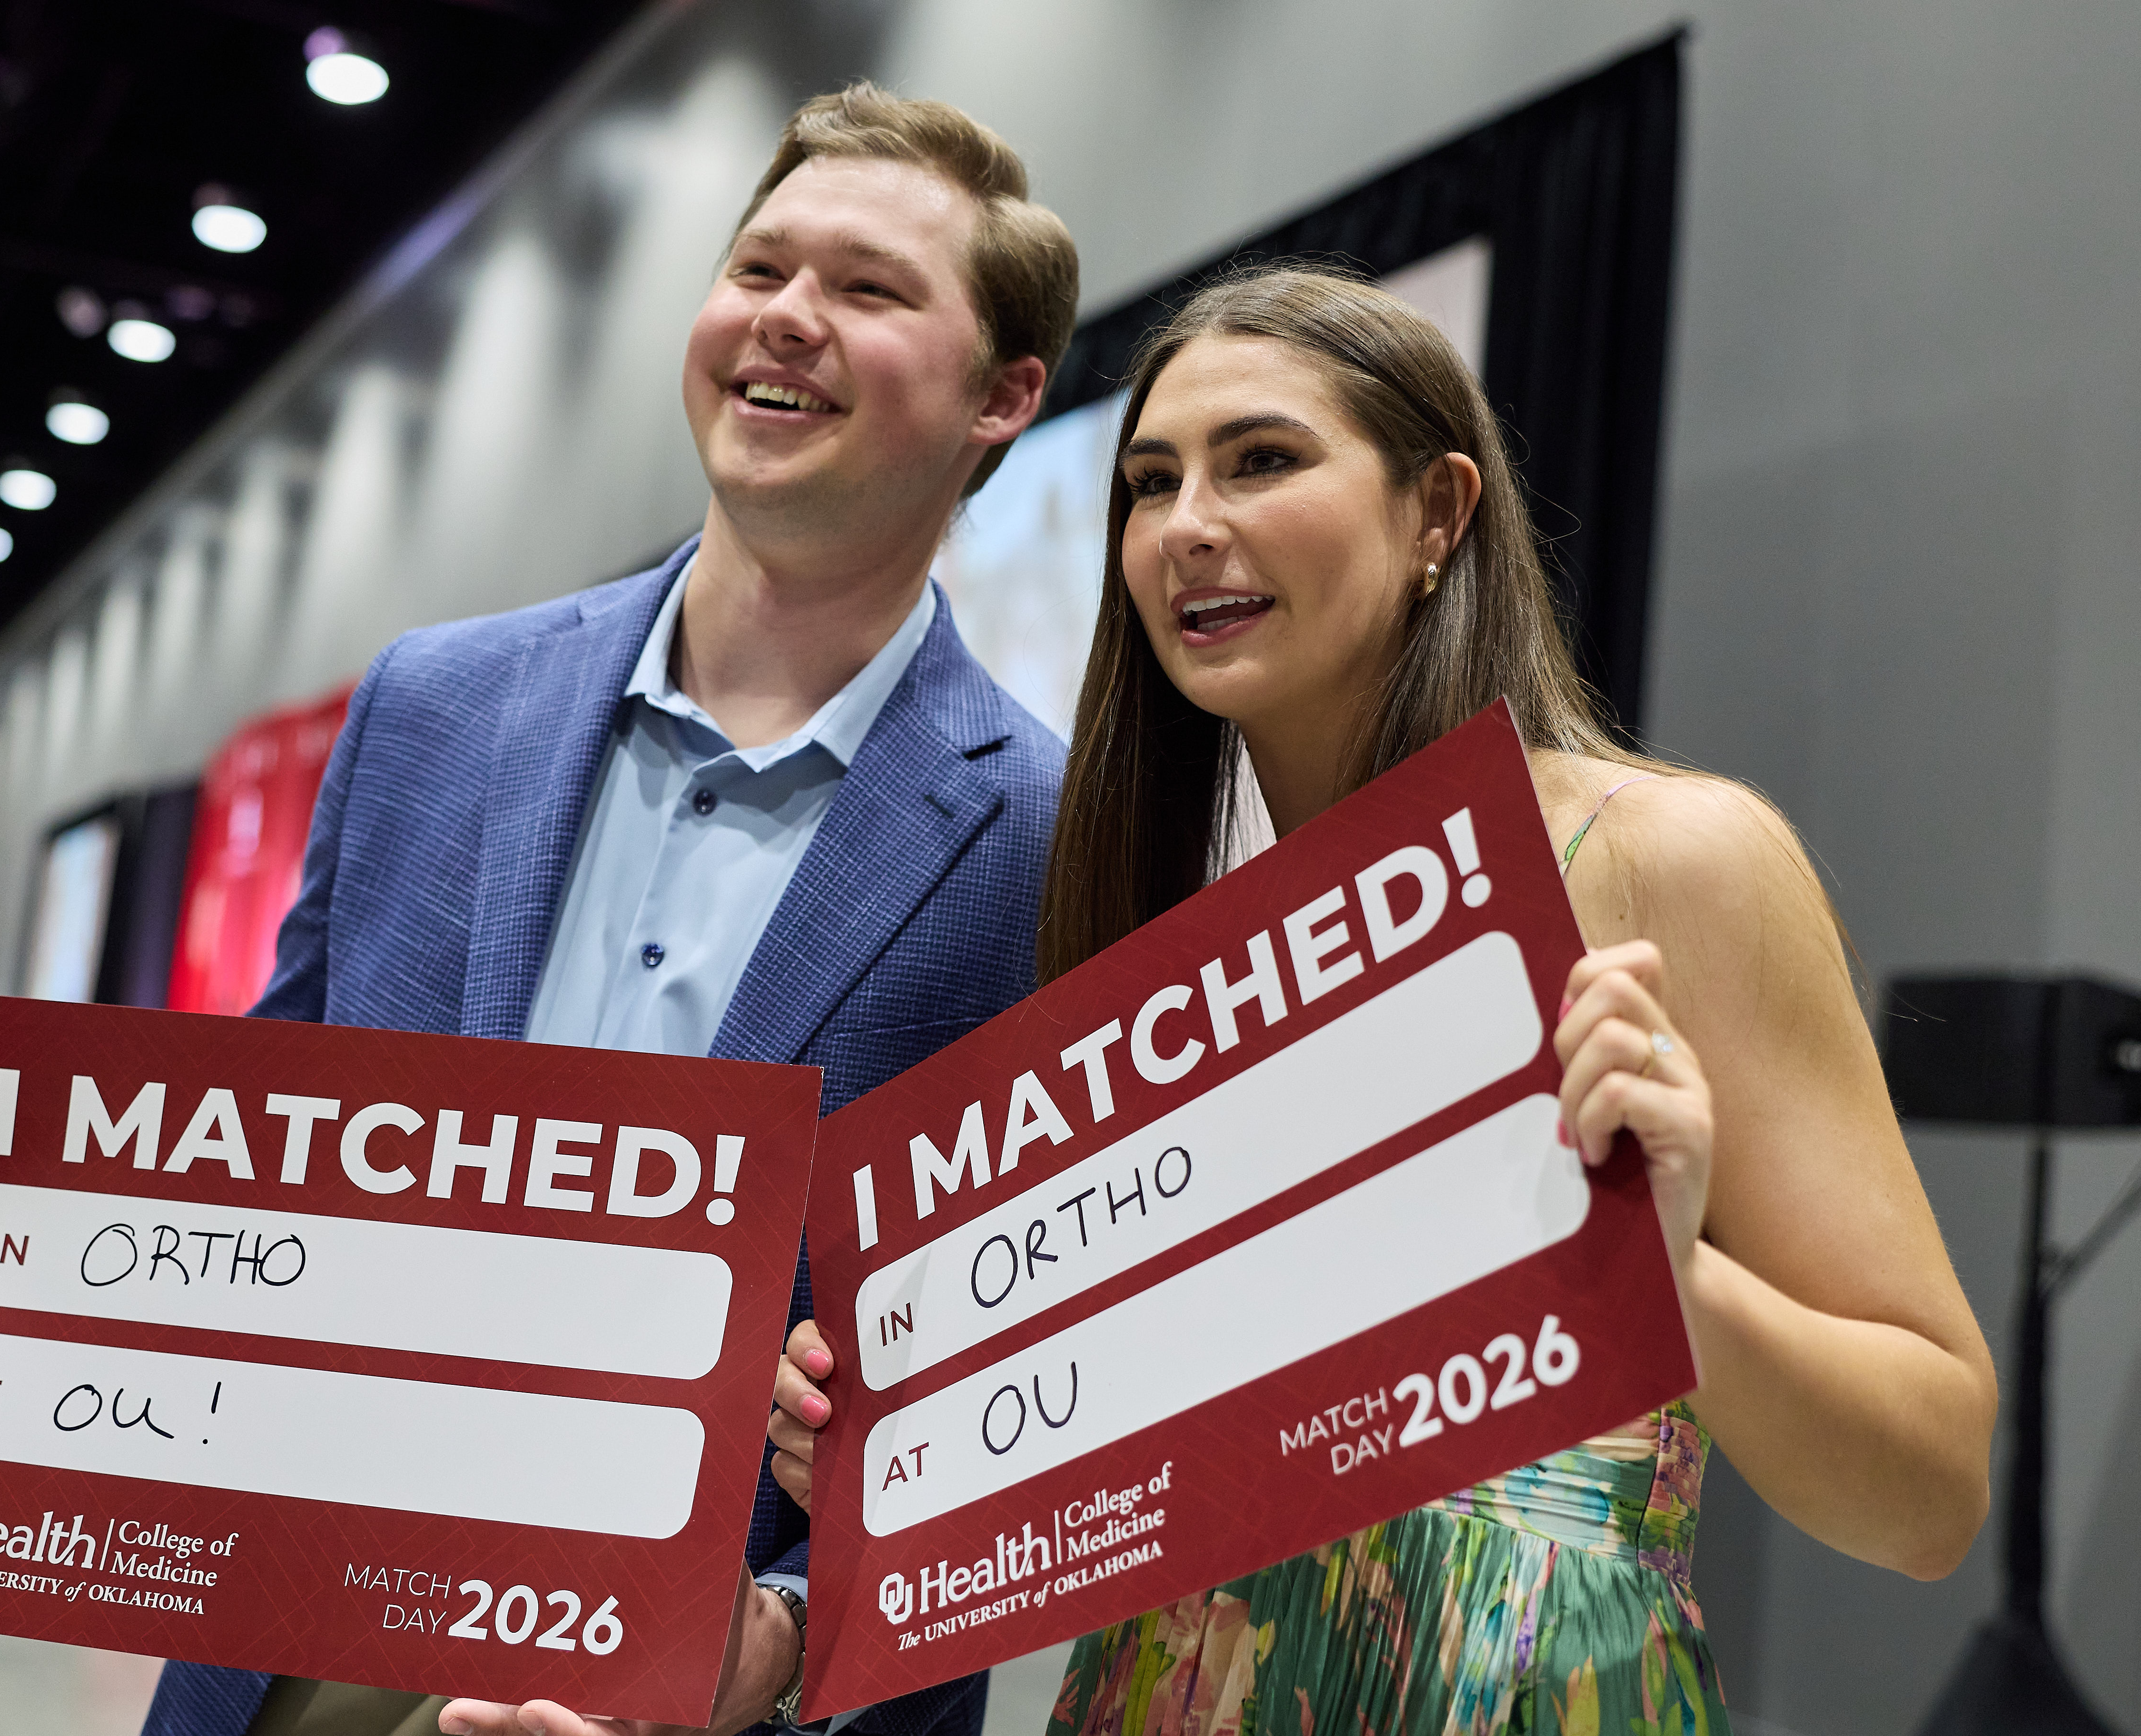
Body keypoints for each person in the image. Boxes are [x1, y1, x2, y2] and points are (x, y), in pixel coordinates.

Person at [0, 85, 1078, 1736]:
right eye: (760, 265)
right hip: (301, 1644)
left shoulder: (1050, 839)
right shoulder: (434, 707)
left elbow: (1026, 1426)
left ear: (1006, 398)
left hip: (697, 1690)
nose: (788, 318)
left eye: (872, 290)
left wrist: (774, 1639)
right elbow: (254, 1150)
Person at [765, 264, 1997, 1732]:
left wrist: (1673, 1275)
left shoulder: (1668, 861)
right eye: (1150, 485)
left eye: (1262, 460)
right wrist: (902, 1441)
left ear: (1439, 513)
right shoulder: (1168, 974)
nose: (1189, 528)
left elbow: (1932, 1497)